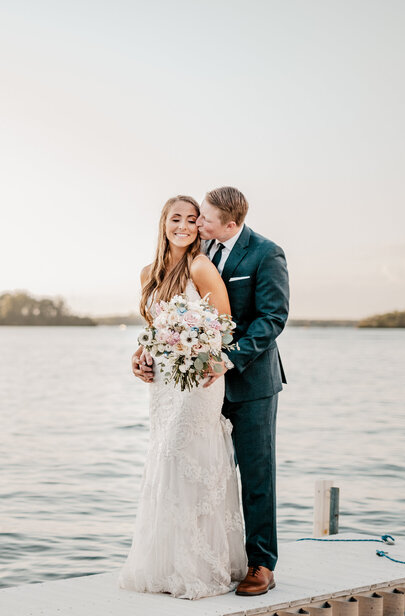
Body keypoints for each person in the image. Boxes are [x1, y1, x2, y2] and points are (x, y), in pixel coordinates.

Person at [133, 186, 289, 597]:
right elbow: (165, 321)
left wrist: (227, 359)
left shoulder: (264, 253)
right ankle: (192, 556)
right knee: (196, 468)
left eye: (201, 217)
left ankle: (260, 564)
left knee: (256, 473)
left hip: (249, 379)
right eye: (187, 217)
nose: (195, 223)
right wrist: (145, 353)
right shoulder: (187, 256)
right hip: (187, 383)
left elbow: (271, 318)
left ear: (230, 223)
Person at [118, 195, 247, 600]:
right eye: (177, 218)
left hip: (200, 379)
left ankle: (200, 566)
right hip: (163, 383)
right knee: (164, 458)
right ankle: (168, 565)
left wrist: (208, 358)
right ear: (163, 223)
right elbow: (152, 330)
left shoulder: (200, 266)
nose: (184, 226)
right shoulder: (149, 274)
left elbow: (225, 327)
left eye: (192, 220)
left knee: (185, 456)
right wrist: (139, 356)